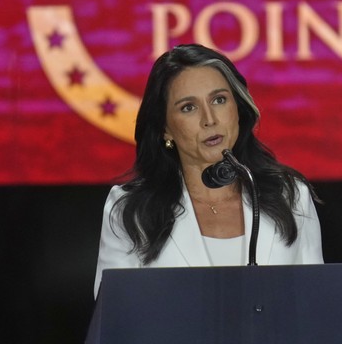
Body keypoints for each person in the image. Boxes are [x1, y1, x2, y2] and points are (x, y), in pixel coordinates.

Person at [93, 44, 323, 298]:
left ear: (238, 109)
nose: (209, 119)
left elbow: (314, 303)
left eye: (219, 100)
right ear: (165, 129)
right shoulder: (131, 211)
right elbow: (115, 316)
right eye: (188, 107)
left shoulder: (290, 196)